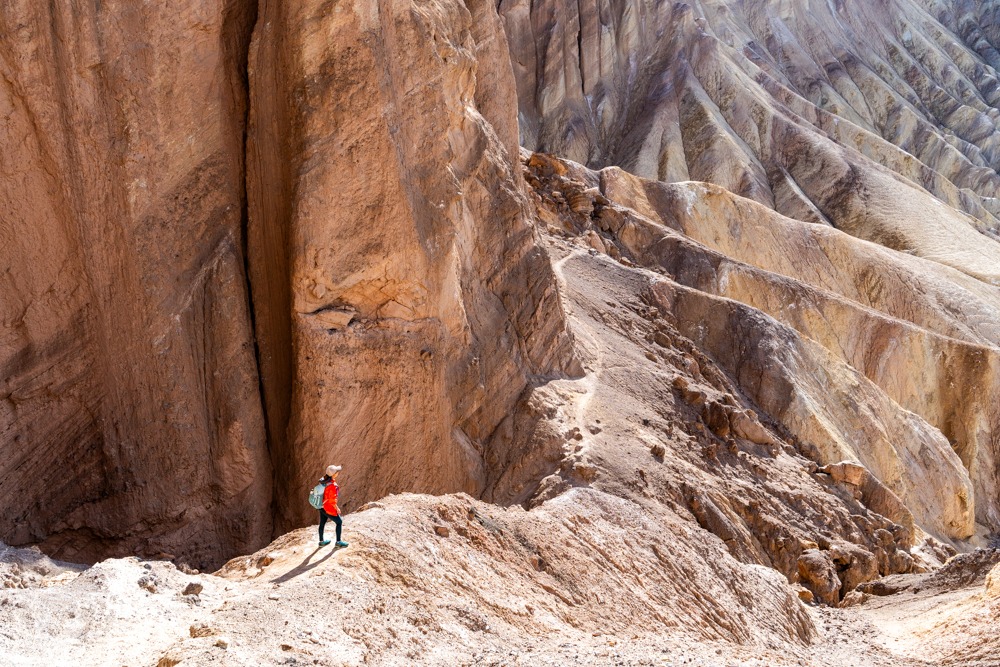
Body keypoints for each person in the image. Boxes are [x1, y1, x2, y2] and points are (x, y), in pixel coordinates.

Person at [318, 465, 348, 548]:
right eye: (337, 472)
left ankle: (321, 541)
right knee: (339, 522)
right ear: (334, 474)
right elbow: (332, 500)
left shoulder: (323, 480)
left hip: (321, 505)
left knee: (322, 523)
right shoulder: (332, 485)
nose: (338, 473)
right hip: (328, 507)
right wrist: (337, 508)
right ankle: (338, 542)